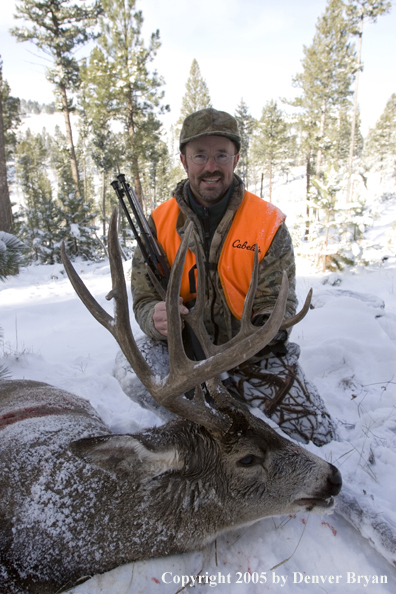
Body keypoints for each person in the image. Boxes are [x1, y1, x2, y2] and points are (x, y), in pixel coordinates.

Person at [115, 108, 336, 446]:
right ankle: (200, 434)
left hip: (251, 358)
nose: (211, 167)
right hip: (184, 360)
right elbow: (144, 300)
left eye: (221, 154)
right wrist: (154, 317)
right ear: (183, 160)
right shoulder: (157, 225)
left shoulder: (266, 224)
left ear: (235, 158)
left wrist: (260, 335)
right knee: (131, 369)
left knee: (321, 440)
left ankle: (238, 404)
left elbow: (280, 302)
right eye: (200, 155)